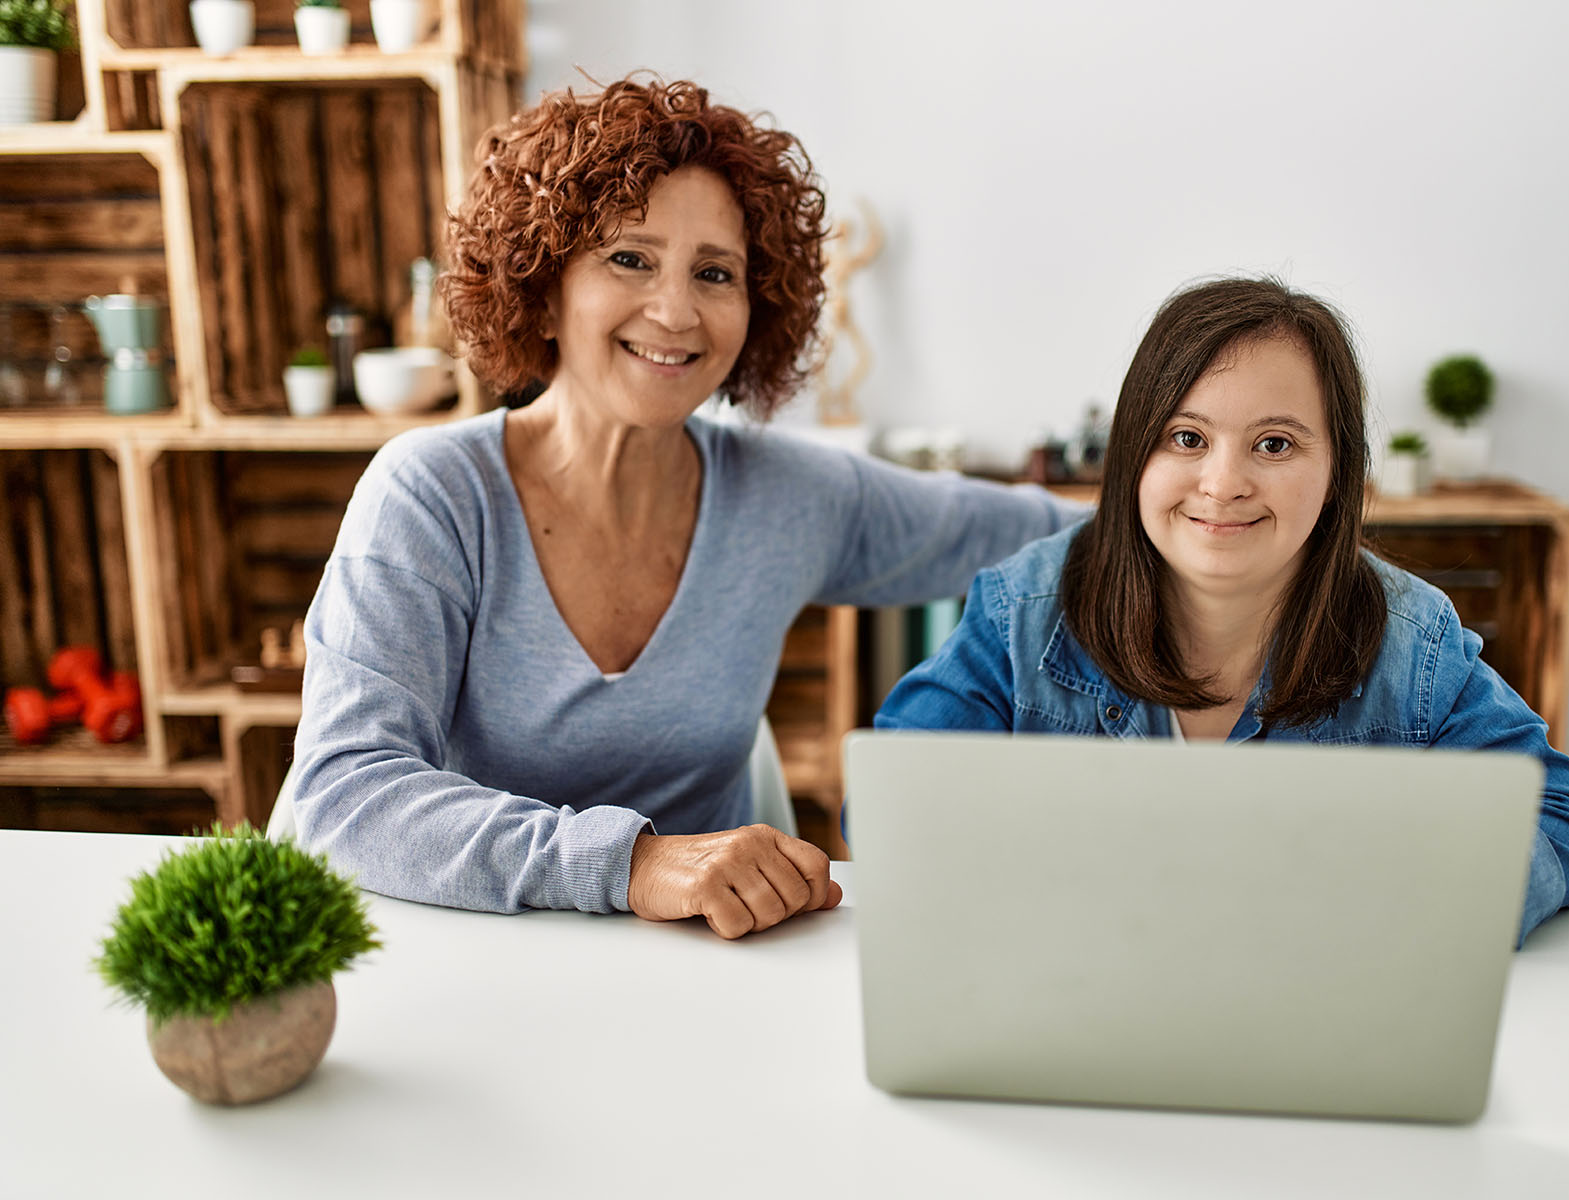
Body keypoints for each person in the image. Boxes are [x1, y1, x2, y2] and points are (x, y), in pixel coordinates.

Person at [289, 77, 1081, 939]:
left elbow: (1048, 535)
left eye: (715, 273)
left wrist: (1214, 484)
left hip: (710, 972)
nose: (675, 311)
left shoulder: (791, 496)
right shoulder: (433, 494)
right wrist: (636, 863)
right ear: (544, 285)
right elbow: (346, 792)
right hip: (474, 955)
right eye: (630, 258)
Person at [875, 277, 1569, 944]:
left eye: (1275, 444)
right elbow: (893, 798)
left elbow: (1566, 820)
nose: (1223, 483)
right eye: (1187, 438)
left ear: (1337, 475)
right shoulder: (1021, 611)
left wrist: (1419, 909)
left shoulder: (1411, 642)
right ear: (1135, 455)